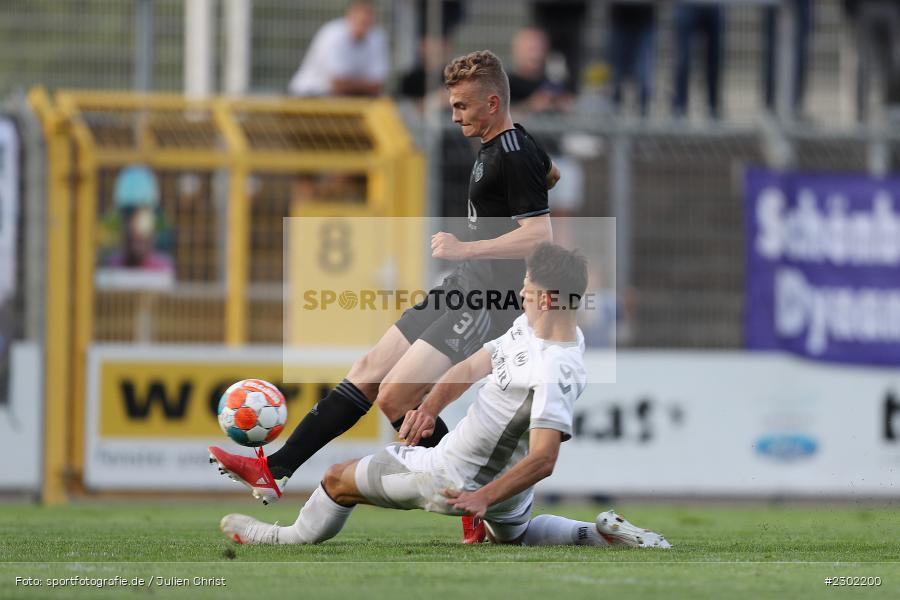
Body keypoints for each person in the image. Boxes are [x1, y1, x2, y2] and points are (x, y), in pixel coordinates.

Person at [210, 50, 560, 542]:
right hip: (462, 288)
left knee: (396, 396)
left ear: (493, 101)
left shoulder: (514, 152)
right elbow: (547, 177)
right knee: (370, 368)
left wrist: (469, 247)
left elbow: (540, 235)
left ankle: (467, 503)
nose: (455, 114)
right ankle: (273, 469)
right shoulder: (505, 145)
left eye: (462, 105)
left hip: (488, 300)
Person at [218, 244, 672, 550]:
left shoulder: (555, 367)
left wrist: (479, 498)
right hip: (511, 494)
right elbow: (472, 366)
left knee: (338, 480)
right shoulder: (533, 329)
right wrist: (430, 407)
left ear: (550, 300)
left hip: (452, 476)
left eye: (528, 290)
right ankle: (599, 534)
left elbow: (546, 458)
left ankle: (277, 538)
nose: (519, 294)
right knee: (518, 535)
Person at [287, 1, 388, 97]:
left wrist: (348, 84)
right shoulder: (333, 34)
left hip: (345, 98)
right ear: (350, 16)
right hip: (310, 94)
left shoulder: (377, 36)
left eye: (368, 21)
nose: (364, 26)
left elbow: (377, 84)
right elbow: (337, 84)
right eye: (361, 21)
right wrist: (365, 85)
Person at [672, 2, 725, 119]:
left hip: (713, 7)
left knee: (714, 58)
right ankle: (680, 106)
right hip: (687, 6)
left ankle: (713, 106)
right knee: (683, 58)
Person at [608, 1, 657, 117]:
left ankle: (643, 116)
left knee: (644, 73)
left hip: (645, 18)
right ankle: (614, 114)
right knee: (617, 74)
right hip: (620, 16)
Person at [507, 27, 572, 114]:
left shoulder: (554, 83)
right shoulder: (503, 84)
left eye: (540, 48)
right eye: (531, 49)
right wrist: (532, 106)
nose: (537, 53)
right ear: (517, 50)